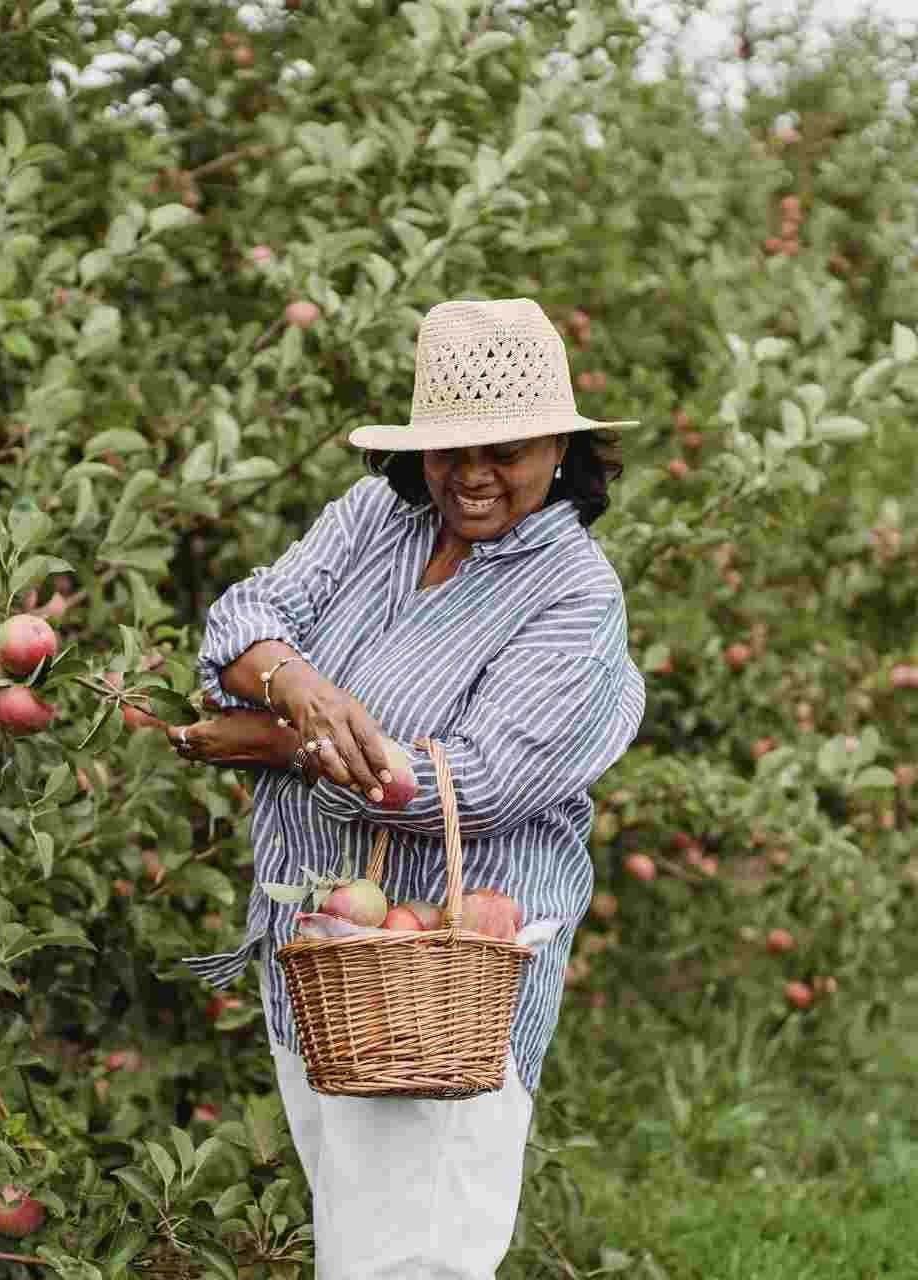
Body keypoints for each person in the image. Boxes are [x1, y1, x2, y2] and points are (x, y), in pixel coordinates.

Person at [176, 297, 647, 1278]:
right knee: (358, 1248)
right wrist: (295, 684)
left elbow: (472, 785)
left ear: (558, 442)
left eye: (503, 448)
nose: (471, 473)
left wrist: (271, 738)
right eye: (449, 448)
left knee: (408, 1260)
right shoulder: (379, 518)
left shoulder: (575, 594)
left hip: (446, 984)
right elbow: (248, 614)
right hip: (323, 963)